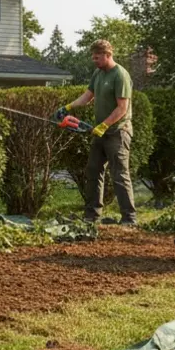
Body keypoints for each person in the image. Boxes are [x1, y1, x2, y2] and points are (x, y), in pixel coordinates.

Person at [55, 39, 136, 224]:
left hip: (117, 131)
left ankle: (129, 219)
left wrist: (104, 125)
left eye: (97, 57)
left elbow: (122, 108)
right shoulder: (98, 73)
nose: (94, 60)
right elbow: (87, 96)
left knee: (119, 174)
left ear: (108, 55)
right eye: (93, 57)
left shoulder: (120, 75)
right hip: (100, 132)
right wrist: (68, 107)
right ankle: (91, 216)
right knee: (93, 171)